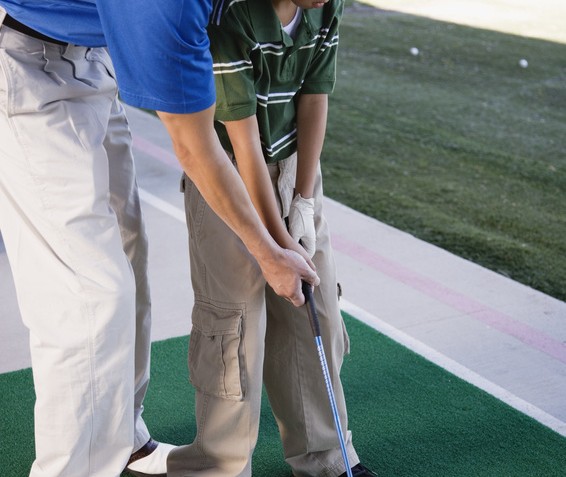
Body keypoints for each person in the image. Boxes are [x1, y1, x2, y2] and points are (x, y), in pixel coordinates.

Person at [0, 2, 318, 476]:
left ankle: (121, 437)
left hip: (90, 55)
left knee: (129, 253)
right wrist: (268, 252)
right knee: (93, 296)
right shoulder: (168, 6)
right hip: (23, 61)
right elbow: (196, 147)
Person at [167, 0, 377, 476]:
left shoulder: (324, 7)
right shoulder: (232, 14)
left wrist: (303, 199)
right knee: (234, 325)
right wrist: (279, 246)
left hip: (296, 170)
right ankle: (218, 467)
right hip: (228, 180)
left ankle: (327, 459)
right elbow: (243, 145)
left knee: (315, 312)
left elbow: (314, 98)